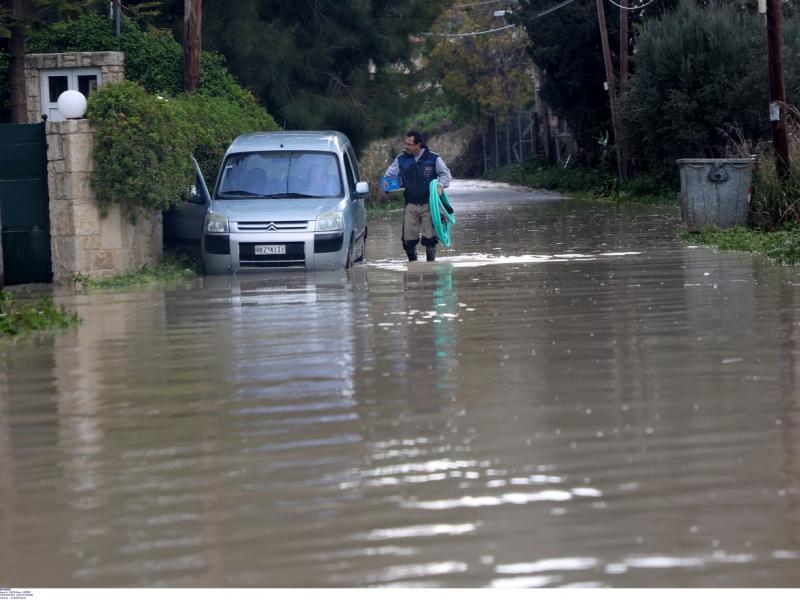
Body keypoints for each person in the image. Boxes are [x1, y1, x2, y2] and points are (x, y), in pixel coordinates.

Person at [383, 130, 452, 262]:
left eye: (409, 144)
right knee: (408, 241)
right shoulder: (400, 160)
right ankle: (413, 265)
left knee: (430, 240)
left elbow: (445, 174)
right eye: (405, 143)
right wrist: (387, 186)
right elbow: (388, 176)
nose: (406, 147)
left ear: (418, 145)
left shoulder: (433, 158)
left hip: (429, 204)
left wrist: (440, 186)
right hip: (410, 204)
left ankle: (430, 267)